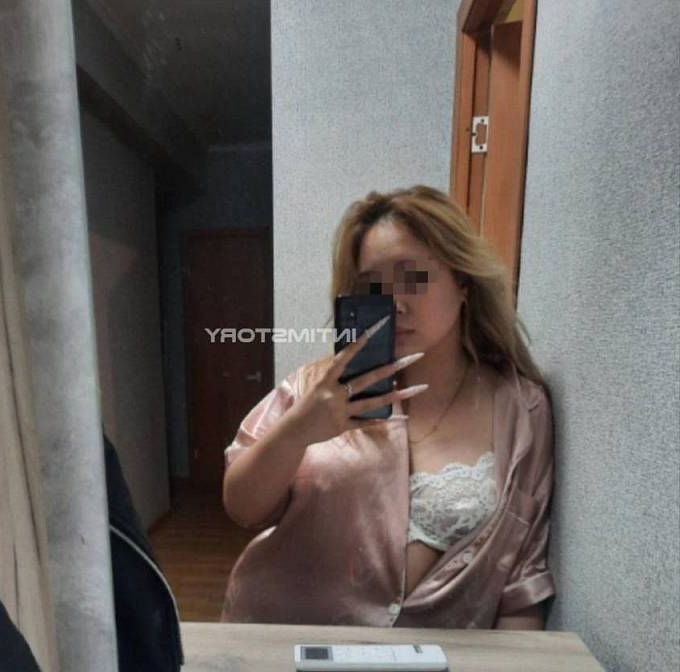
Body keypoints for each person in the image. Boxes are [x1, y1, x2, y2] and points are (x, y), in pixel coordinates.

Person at [220, 185, 555, 629]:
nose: (394, 303)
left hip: (437, 653)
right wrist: (297, 430)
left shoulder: (521, 409)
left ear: (462, 282)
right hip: (290, 638)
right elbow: (242, 508)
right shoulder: (316, 388)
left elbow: (523, 575)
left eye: (412, 277)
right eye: (373, 287)